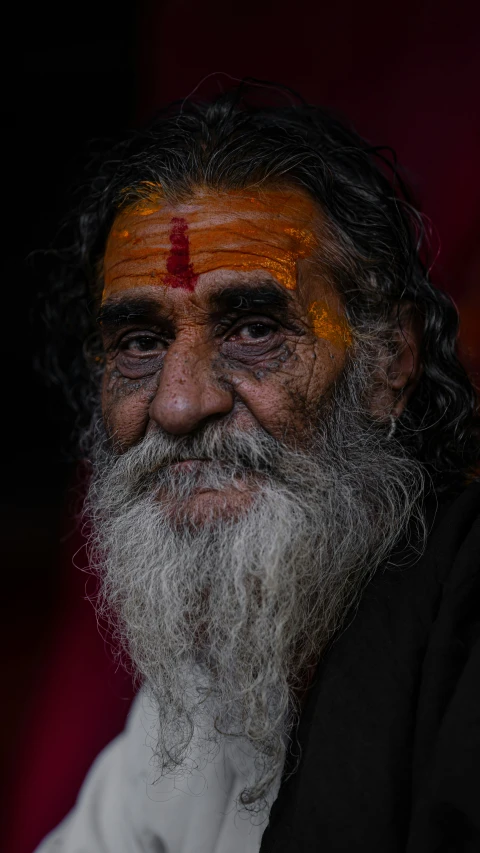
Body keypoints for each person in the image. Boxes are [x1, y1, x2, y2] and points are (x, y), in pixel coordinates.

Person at [37, 85, 480, 852]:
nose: (178, 404)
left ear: (389, 362)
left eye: (253, 328)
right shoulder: (202, 698)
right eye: (139, 342)